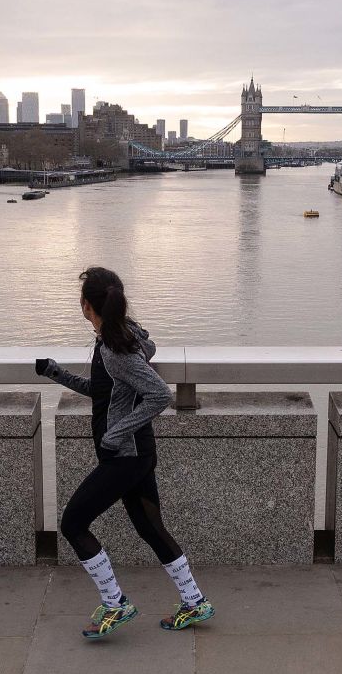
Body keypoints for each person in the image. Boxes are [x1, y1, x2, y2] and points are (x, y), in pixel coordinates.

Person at [36, 267, 213, 639]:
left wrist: (114, 434)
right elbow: (103, 392)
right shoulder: (119, 339)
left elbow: (159, 394)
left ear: (86, 307)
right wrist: (56, 374)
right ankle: (194, 601)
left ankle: (116, 605)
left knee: (73, 524)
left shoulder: (116, 349)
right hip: (137, 453)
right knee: (150, 528)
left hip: (125, 457)